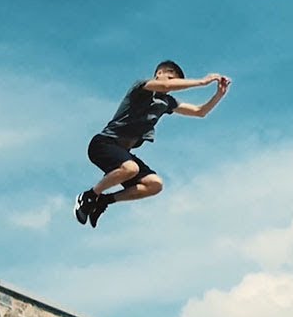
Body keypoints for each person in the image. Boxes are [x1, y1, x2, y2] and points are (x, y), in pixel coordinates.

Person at [75, 60, 230, 227]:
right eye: (170, 79)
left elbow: (200, 112)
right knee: (130, 168)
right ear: (159, 74)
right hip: (103, 144)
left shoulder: (167, 102)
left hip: (122, 152)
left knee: (154, 185)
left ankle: (104, 201)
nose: (170, 86)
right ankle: (89, 196)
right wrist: (202, 81)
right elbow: (162, 86)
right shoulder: (142, 88)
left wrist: (218, 95)